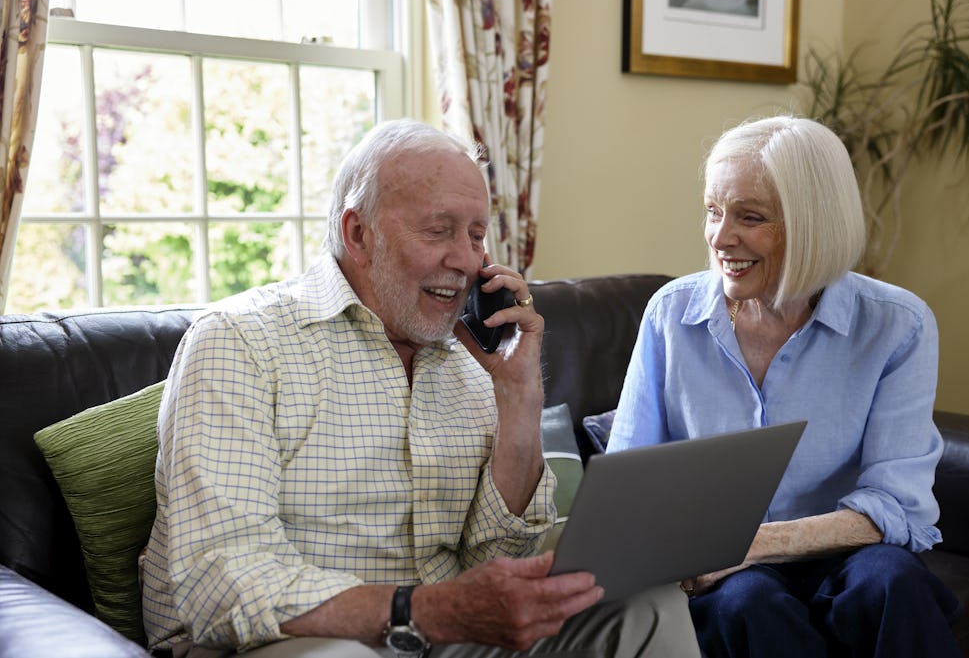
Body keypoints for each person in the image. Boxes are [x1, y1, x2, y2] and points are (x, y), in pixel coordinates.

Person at [140, 119, 700, 658]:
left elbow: (497, 558)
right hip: (287, 641)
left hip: (439, 634)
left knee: (648, 606)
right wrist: (424, 609)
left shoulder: (472, 358)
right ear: (358, 234)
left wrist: (519, 397)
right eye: (439, 230)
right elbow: (220, 581)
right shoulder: (241, 343)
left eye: (477, 234)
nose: (465, 260)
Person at [606, 115, 963, 657]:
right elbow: (627, 488)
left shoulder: (898, 324)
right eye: (712, 211)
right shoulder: (670, 316)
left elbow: (898, 507)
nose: (720, 237)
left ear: (813, 223)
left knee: (893, 581)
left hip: (839, 552)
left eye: (750, 217)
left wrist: (753, 545)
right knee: (745, 602)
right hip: (719, 570)